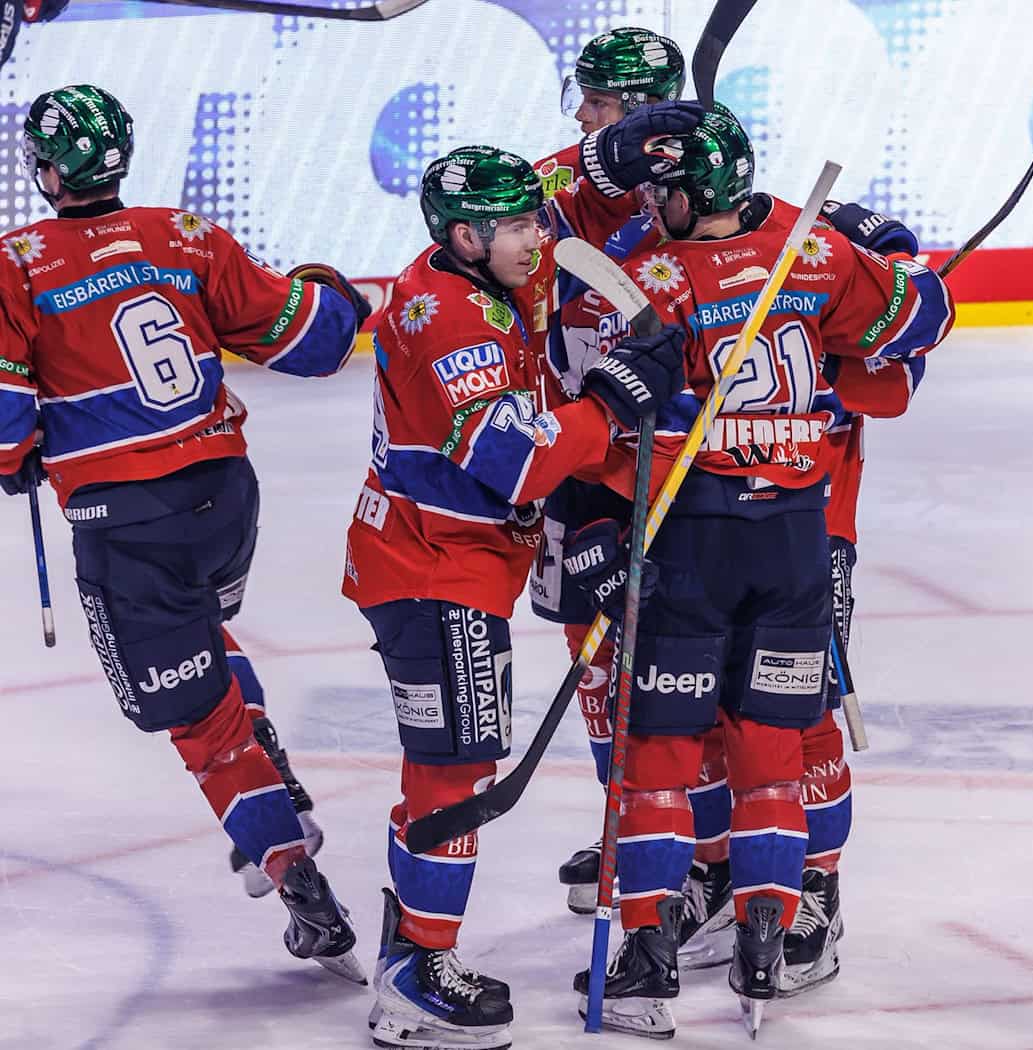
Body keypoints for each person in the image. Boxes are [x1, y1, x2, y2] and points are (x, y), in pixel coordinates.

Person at [565, 103, 955, 1037]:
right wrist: (897, 263)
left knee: (657, 758)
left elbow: (605, 413)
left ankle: (650, 962)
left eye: (663, 187)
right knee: (774, 756)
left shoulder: (646, 278)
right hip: (796, 545)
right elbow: (920, 319)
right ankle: (764, 946)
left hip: (691, 543)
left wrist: (595, 521)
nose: (651, 202)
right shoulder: (813, 253)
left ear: (694, 190)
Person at [0, 84, 370, 982]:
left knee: (197, 723)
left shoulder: (15, 262)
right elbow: (311, 341)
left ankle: (296, 878)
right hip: (224, 498)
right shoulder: (186, 234)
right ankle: (267, 754)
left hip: (128, 523)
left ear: (47, 170)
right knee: (204, 632)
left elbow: (5, 428)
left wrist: (20, 458)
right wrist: (331, 290)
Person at [343, 132, 696, 1049]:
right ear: (464, 239)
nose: (536, 238)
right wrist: (617, 403)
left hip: (445, 565)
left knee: (455, 760)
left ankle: (412, 955)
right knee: (456, 767)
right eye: (513, 226)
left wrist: (617, 155)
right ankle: (417, 972)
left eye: (532, 220)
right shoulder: (450, 317)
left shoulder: (486, 281)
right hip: (431, 569)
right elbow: (514, 461)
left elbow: (573, 227)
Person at [531, 24, 687, 916]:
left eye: (600, 102)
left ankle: (697, 841)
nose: (583, 117)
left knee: (675, 660)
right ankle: (627, 820)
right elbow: (542, 187)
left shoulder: (706, 186)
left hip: (675, 466)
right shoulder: (566, 181)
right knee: (589, 649)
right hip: (582, 450)